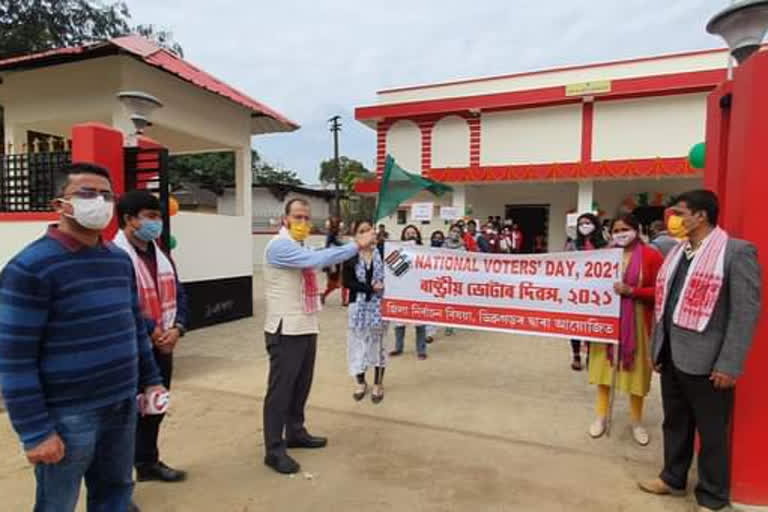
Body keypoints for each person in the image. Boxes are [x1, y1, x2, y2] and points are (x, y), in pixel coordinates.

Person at [0, 162, 164, 512]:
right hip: (69, 415)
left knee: (116, 492)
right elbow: (14, 358)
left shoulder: (118, 261)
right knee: (57, 503)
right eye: (87, 193)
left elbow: (134, 326)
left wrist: (151, 381)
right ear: (60, 203)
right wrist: (35, 432)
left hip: (122, 404)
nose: (100, 202)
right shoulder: (29, 268)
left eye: (107, 195)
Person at [638, 190, 761, 512]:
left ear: (701, 215)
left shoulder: (736, 253)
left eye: (679, 212)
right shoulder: (679, 252)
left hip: (709, 363)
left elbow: (745, 313)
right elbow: (667, 304)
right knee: (674, 423)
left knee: (712, 433)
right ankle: (672, 478)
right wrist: (658, 349)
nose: (673, 219)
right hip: (673, 355)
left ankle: (712, 496)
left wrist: (729, 365)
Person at [262, 198, 376, 474]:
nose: (303, 222)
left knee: (301, 386)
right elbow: (317, 260)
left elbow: (321, 256)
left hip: (305, 325)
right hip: (285, 329)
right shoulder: (279, 246)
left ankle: (296, 432)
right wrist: (355, 245)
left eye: (306, 218)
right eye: (298, 217)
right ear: (285, 218)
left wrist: (356, 245)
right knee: (281, 391)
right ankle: (274, 449)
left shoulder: (298, 244)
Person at [114, 190, 188, 484]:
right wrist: (150, 328)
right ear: (130, 220)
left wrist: (177, 328)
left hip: (163, 346)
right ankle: (119, 482)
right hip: (132, 348)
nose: (156, 223)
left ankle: (148, 462)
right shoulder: (116, 255)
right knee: (126, 417)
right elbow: (122, 302)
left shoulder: (162, 255)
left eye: (158, 216)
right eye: (150, 216)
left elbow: (180, 293)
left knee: (155, 406)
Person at [588, 214, 663, 446]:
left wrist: (632, 291)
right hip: (607, 322)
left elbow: (661, 290)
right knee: (603, 370)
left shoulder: (652, 255)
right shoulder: (603, 256)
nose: (621, 233)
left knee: (637, 374)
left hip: (638, 322)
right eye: (616, 229)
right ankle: (600, 416)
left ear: (637, 229)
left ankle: (636, 422)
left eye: (626, 228)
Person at [343, 220, 388, 404]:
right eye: (362, 231)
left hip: (379, 307)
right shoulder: (350, 256)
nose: (367, 233)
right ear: (356, 236)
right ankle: (361, 382)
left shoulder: (385, 252)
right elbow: (347, 282)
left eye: (370, 229)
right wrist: (371, 288)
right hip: (358, 307)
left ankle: (378, 384)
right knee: (358, 346)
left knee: (378, 346)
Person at [568, 213, 608, 371]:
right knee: (575, 325)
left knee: (593, 324)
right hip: (576, 291)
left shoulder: (604, 245)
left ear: (595, 224)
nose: (584, 226)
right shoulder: (573, 244)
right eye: (581, 224)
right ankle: (576, 355)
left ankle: (592, 354)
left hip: (597, 291)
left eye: (587, 223)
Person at [390, 225, 428, 359]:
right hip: (402, 290)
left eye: (413, 233)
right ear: (403, 235)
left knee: (420, 322)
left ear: (417, 235)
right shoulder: (397, 251)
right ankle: (398, 347)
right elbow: (393, 270)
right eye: (408, 233)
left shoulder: (424, 251)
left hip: (418, 290)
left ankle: (421, 350)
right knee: (399, 321)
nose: (411, 235)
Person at [321, 217, 346, 305]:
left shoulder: (336, 234)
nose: (341, 227)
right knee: (335, 282)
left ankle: (344, 300)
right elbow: (335, 244)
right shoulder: (331, 234)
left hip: (337, 259)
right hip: (333, 261)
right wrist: (348, 246)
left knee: (340, 281)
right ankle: (323, 295)